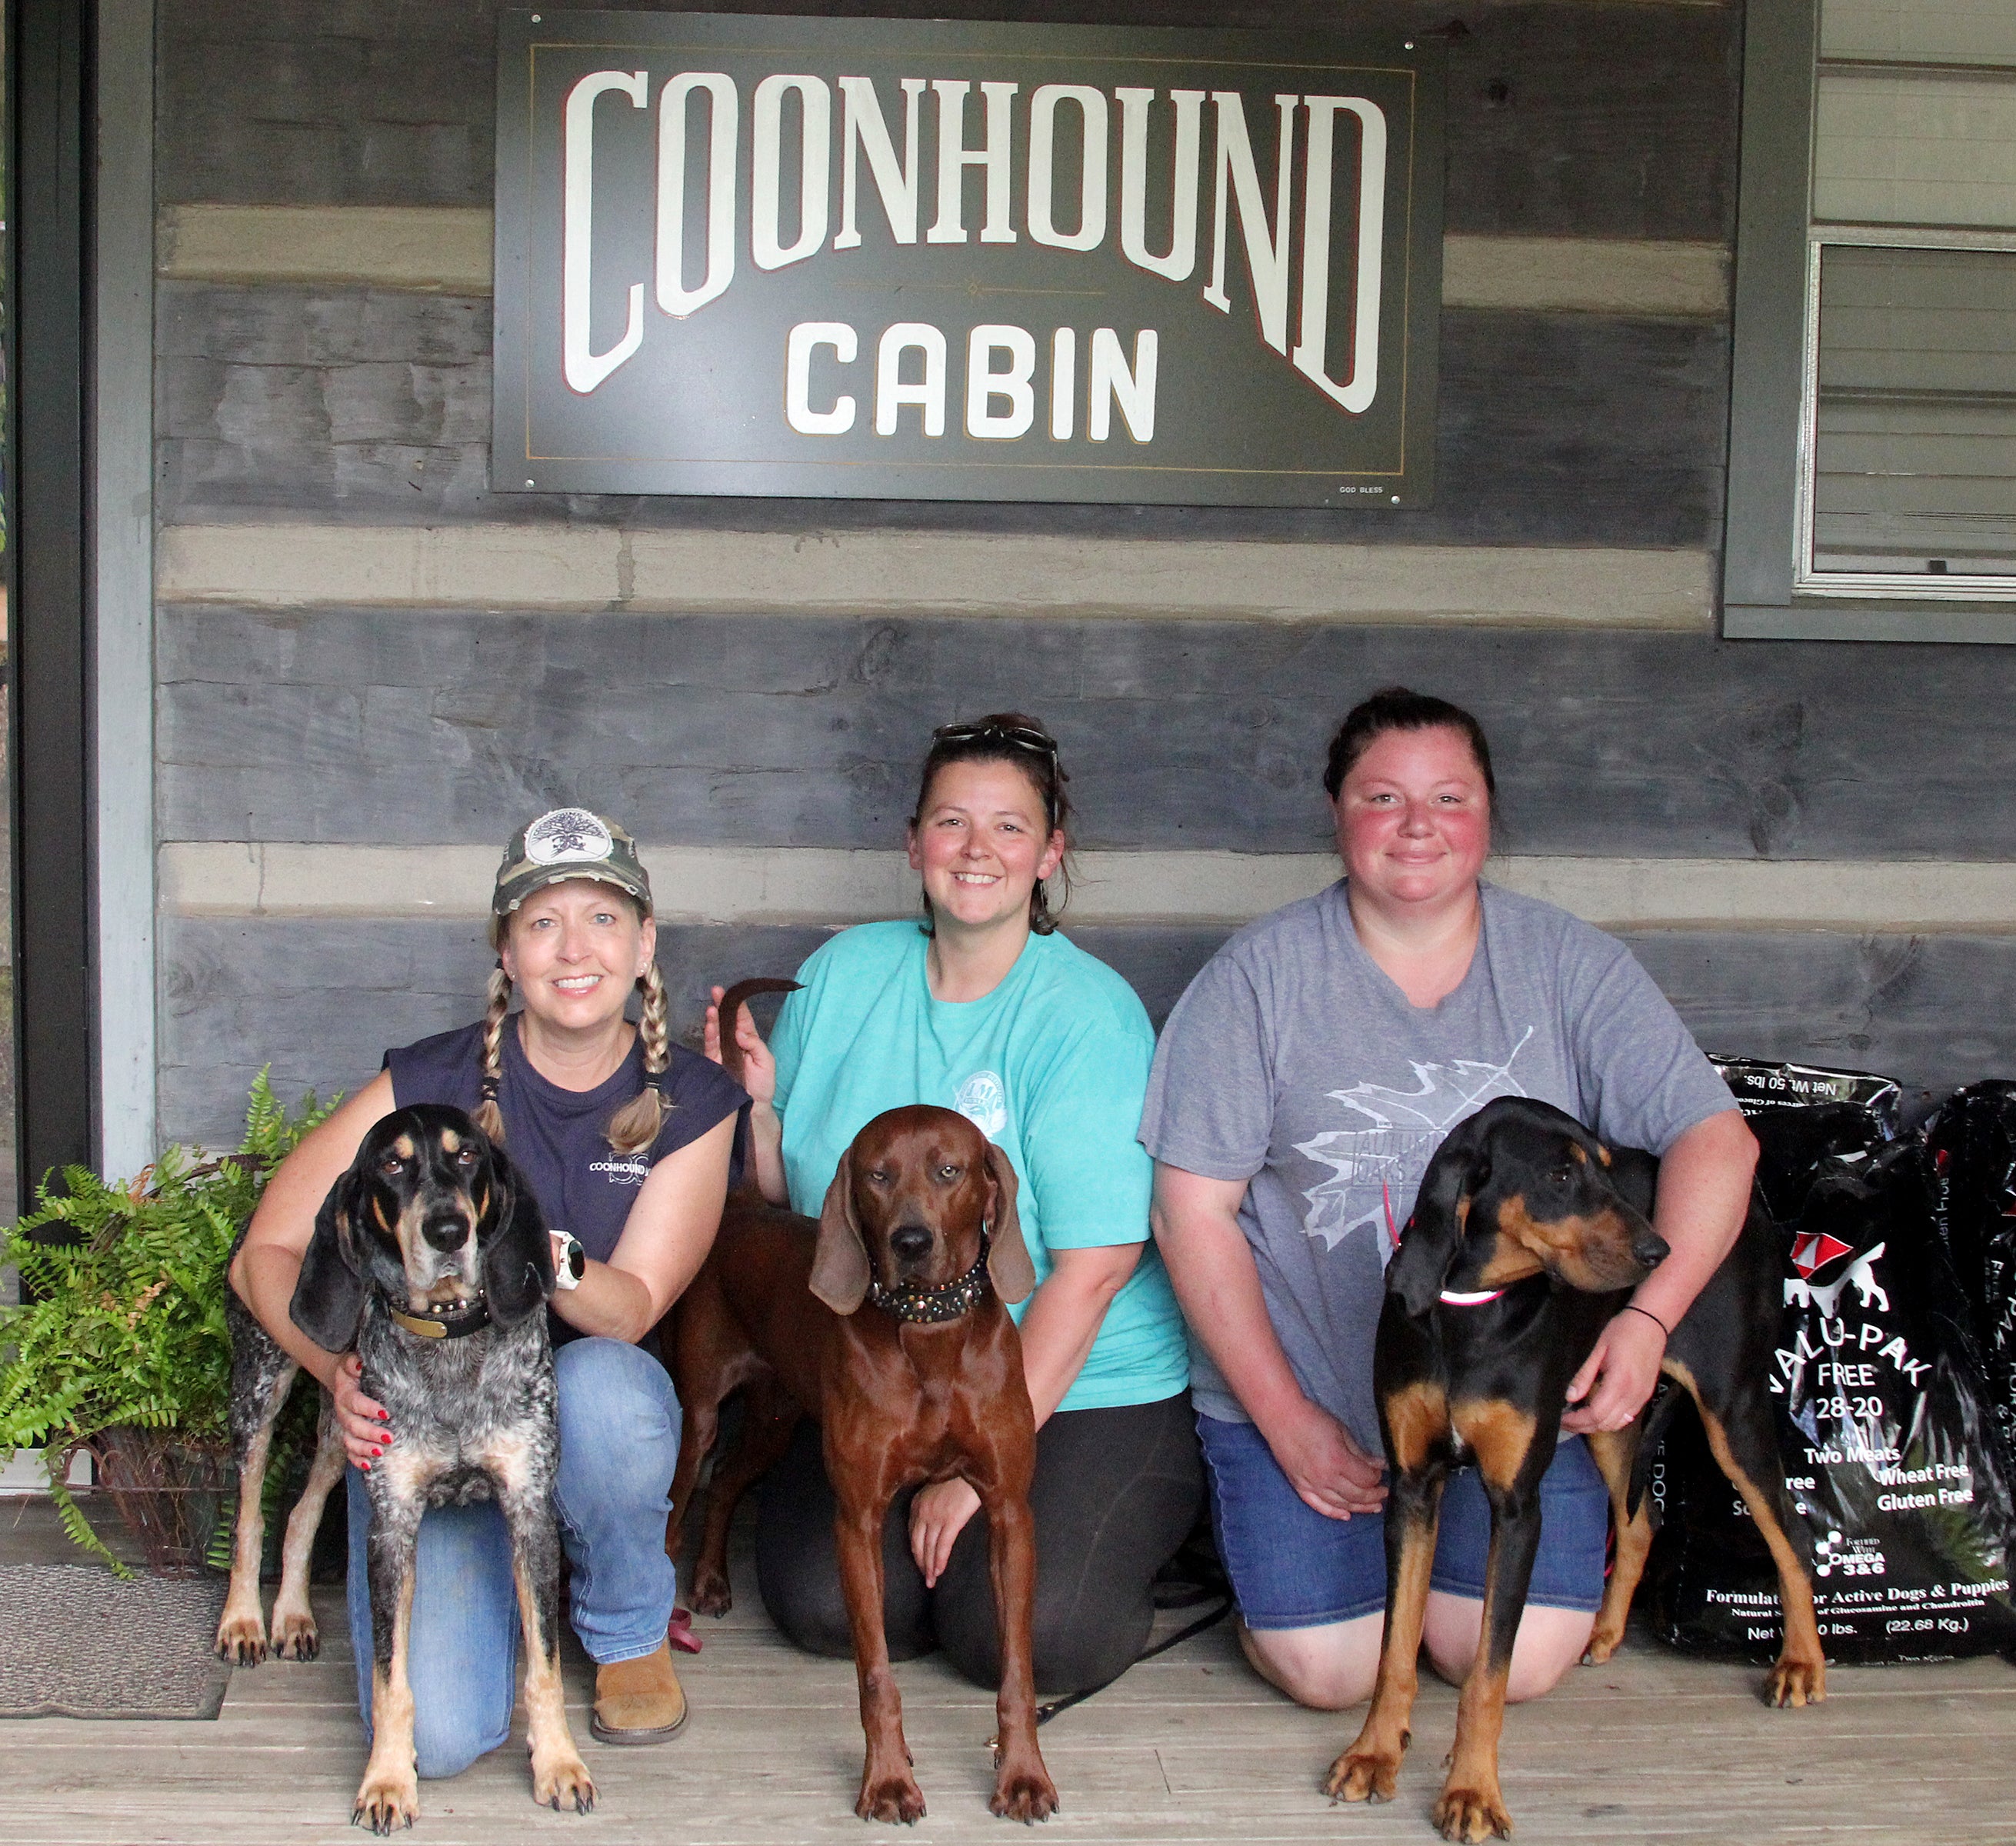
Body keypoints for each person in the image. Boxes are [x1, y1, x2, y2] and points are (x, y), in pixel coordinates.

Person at [1141, 687, 1758, 1711]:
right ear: (1336, 813)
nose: (1416, 824)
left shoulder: (1568, 964)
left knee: (1505, 1662)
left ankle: (1413, 1575)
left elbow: (1717, 1141)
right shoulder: (1257, 978)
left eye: (1448, 798)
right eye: (1382, 797)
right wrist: (1285, 1419)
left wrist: (1647, 1322)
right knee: (1330, 1673)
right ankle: (1279, 1557)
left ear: (1488, 815)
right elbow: (1189, 1214)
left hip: (1510, 1392)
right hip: (1315, 1399)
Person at [231, 808, 745, 1773]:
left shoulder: (695, 1101)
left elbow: (634, 1306)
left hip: (580, 1417)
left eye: (602, 919)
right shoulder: (429, 1079)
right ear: (506, 953)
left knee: (609, 1390)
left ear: (644, 946)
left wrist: (518, 1245)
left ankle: (623, 1626)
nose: (574, 949)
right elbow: (263, 1250)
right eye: (543, 923)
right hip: (424, 1422)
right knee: (437, 1741)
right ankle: (503, 1600)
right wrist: (333, 1372)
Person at [709, 713, 1203, 1698]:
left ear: (1049, 854)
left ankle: (1135, 1556)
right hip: (885, 1366)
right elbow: (804, 1206)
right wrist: (756, 1112)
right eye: (950, 822)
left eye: (1009, 827)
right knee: (827, 1606)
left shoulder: (1087, 1015)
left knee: (1033, 1635)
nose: (976, 849)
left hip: (1077, 1381)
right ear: (912, 843)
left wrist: (972, 1477)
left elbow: (1095, 1269)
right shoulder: (841, 975)